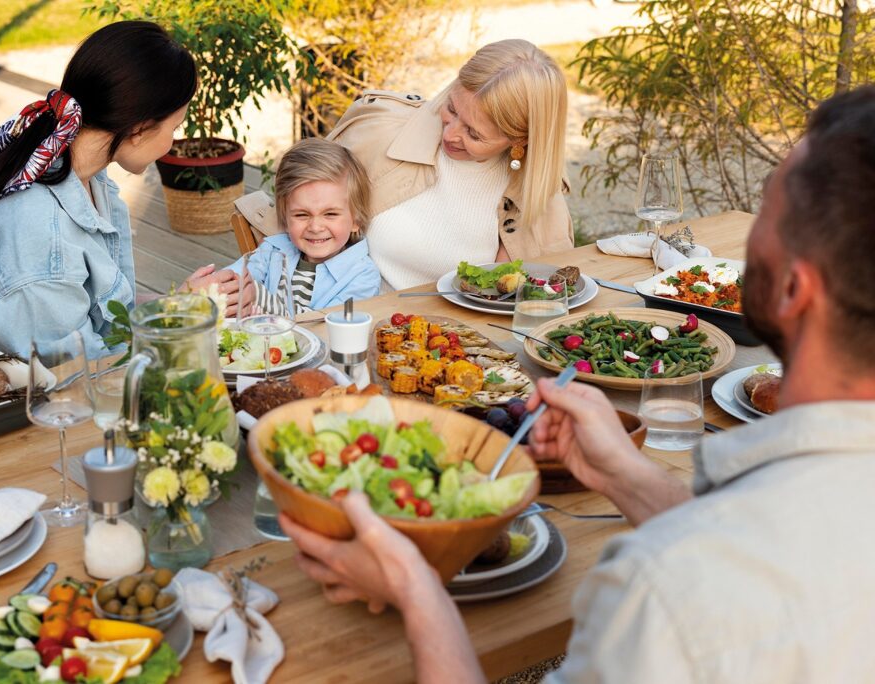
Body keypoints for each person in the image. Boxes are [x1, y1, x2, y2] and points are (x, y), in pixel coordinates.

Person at [280, 86, 875, 683]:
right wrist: (625, 473)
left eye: (764, 214)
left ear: (796, 290)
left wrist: (415, 585)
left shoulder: (664, 590)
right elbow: (755, 546)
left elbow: (723, 562)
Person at [0, 21, 241, 359]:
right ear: (139, 129)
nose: (172, 143)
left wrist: (180, 305)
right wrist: (180, 324)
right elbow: (70, 372)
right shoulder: (39, 229)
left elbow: (105, 319)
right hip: (30, 405)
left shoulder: (87, 180)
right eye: (175, 127)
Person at [236, 39, 572, 290]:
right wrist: (245, 281)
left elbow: (536, 297)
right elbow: (301, 208)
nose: (451, 134)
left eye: (474, 133)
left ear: (520, 140)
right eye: (452, 109)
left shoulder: (538, 194)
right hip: (351, 314)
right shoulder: (380, 133)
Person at [228, 138, 380, 315]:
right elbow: (234, 278)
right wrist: (220, 285)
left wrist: (257, 297)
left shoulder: (362, 276)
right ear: (285, 217)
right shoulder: (271, 250)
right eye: (301, 215)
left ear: (356, 220)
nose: (315, 227)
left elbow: (324, 326)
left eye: (330, 214)